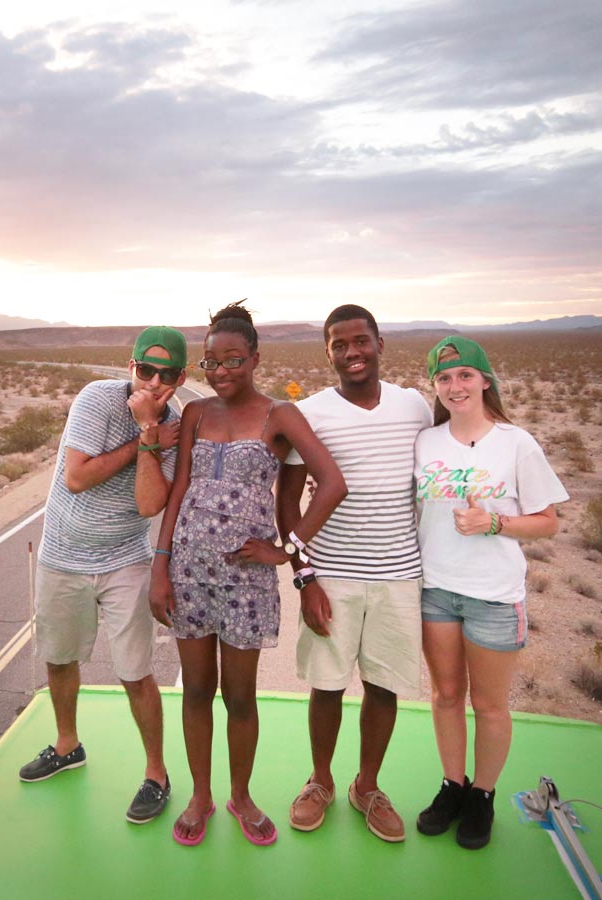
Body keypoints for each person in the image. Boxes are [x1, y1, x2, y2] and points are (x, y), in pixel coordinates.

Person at [149, 302, 346, 847]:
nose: (221, 371)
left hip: (245, 580)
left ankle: (240, 795)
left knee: (240, 697)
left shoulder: (279, 416)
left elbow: (331, 483)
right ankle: (199, 796)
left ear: (255, 357)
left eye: (233, 359)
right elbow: (179, 490)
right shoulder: (195, 414)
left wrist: (288, 551)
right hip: (189, 569)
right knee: (195, 692)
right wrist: (160, 566)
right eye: (211, 362)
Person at [20, 325, 188, 826]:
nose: (155, 382)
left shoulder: (176, 426)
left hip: (124, 560)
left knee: (136, 671)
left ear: (181, 378)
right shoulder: (95, 399)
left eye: (167, 373)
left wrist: (157, 437)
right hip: (62, 556)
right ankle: (67, 745)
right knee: (59, 658)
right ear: (129, 364)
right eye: (146, 369)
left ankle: (156, 773)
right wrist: (146, 437)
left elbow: (147, 503)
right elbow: (77, 476)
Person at [277, 304, 432, 841]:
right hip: (333, 575)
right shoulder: (312, 413)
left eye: (360, 341)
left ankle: (367, 785)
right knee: (326, 684)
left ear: (380, 343)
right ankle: (320, 780)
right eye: (339, 345)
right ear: (328, 353)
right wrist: (305, 576)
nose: (352, 353)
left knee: (383, 686)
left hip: (399, 575)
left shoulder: (415, 406)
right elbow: (288, 499)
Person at [413, 335, 567, 850]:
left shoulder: (516, 443)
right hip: (436, 590)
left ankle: (482, 795)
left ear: (485, 380)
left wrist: (493, 522)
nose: (455, 386)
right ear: (435, 387)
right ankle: (452, 785)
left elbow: (548, 523)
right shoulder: (426, 442)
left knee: (491, 706)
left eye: (464, 376)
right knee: (446, 696)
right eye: (444, 378)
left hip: (494, 596)